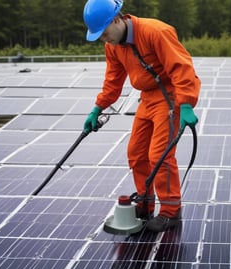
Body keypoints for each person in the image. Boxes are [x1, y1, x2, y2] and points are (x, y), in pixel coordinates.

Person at [83, 0, 201, 232]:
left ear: (117, 19)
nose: (104, 39)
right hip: (147, 99)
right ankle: (145, 205)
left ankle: (170, 211)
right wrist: (98, 107)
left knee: (160, 156)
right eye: (99, 36)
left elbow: (182, 67)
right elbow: (113, 81)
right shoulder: (113, 46)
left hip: (169, 97)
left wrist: (186, 104)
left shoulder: (156, 32)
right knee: (136, 153)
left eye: (105, 33)